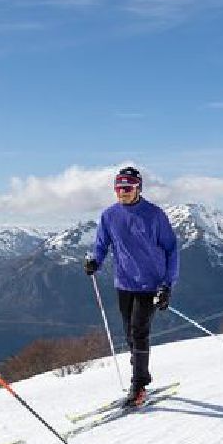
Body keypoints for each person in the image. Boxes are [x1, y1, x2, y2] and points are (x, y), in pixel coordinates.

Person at [83, 166, 179, 408]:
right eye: (118, 188)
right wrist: (95, 260)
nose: (122, 192)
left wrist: (167, 285)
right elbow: (102, 244)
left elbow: (171, 249)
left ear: (138, 188)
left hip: (151, 284)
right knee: (129, 334)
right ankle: (142, 371)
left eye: (127, 188)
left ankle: (138, 385)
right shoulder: (109, 215)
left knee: (138, 332)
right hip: (124, 283)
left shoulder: (154, 215)